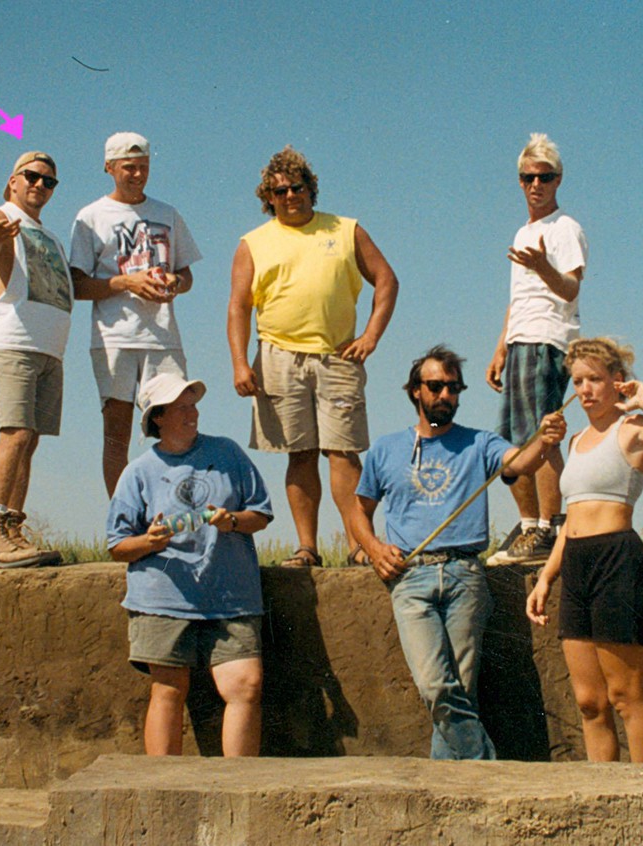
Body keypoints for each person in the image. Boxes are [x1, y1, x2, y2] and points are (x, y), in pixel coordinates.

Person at [351, 345, 565, 759]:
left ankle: (451, 787)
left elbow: (518, 464)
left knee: (461, 689)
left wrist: (545, 439)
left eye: (453, 388)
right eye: (435, 387)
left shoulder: (480, 442)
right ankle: (484, 765)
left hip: (465, 573)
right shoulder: (385, 449)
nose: (445, 395)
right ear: (416, 391)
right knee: (436, 685)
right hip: (409, 576)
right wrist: (374, 548)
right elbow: (359, 511)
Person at [229, 146, 398, 567]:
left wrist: (371, 336)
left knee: (343, 452)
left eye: (297, 187)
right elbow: (238, 306)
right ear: (268, 197)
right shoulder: (253, 242)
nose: (290, 196)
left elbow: (386, 279)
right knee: (299, 453)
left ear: (311, 189)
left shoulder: (345, 229)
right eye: (280, 190)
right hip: (279, 357)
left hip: (337, 357)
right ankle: (307, 546)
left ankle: (360, 545)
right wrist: (239, 362)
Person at [525, 337, 643, 763]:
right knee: (589, 701)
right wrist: (546, 576)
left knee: (624, 694)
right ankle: (604, 792)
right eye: (578, 381)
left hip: (617, 560)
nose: (584, 390)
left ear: (617, 381)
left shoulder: (632, 428)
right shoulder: (575, 439)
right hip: (576, 562)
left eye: (595, 379)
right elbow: (572, 518)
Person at [107, 373, 272, 757]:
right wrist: (149, 542)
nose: (192, 412)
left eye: (193, 404)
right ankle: (162, 790)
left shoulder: (228, 453)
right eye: (182, 407)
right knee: (168, 689)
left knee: (246, 685)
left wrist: (230, 521)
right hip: (163, 598)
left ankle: (239, 788)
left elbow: (261, 514)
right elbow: (117, 545)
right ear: (158, 417)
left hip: (230, 596)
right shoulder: (138, 471)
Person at [70, 132, 203, 497]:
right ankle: (124, 518)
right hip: (114, 337)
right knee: (117, 432)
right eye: (129, 167)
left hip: (162, 337)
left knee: (178, 425)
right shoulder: (91, 216)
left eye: (143, 167)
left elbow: (188, 273)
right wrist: (127, 282)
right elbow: (77, 285)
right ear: (109, 167)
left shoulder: (167, 214)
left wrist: (174, 281)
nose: (137, 174)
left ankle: (174, 510)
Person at [487, 133, 588, 564]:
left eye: (544, 177)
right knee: (512, 444)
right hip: (520, 339)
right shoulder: (522, 231)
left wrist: (543, 264)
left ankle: (550, 526)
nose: (536, 185)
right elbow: (519, 296)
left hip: (548, 339)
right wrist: (500, 347)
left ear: (558, 179)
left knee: (540, 438)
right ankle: (529, 527)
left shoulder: (566, 228)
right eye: (528, 177)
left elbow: (569, 289)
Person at [0, 151, 73, 568]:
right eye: (31, 176)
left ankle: (12, 530)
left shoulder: (48, 236)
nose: (39, 185)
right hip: (12, 341)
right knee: (14, 434)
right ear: (13, 180)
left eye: (49, 181)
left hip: (48, 349)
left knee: (28, 440)